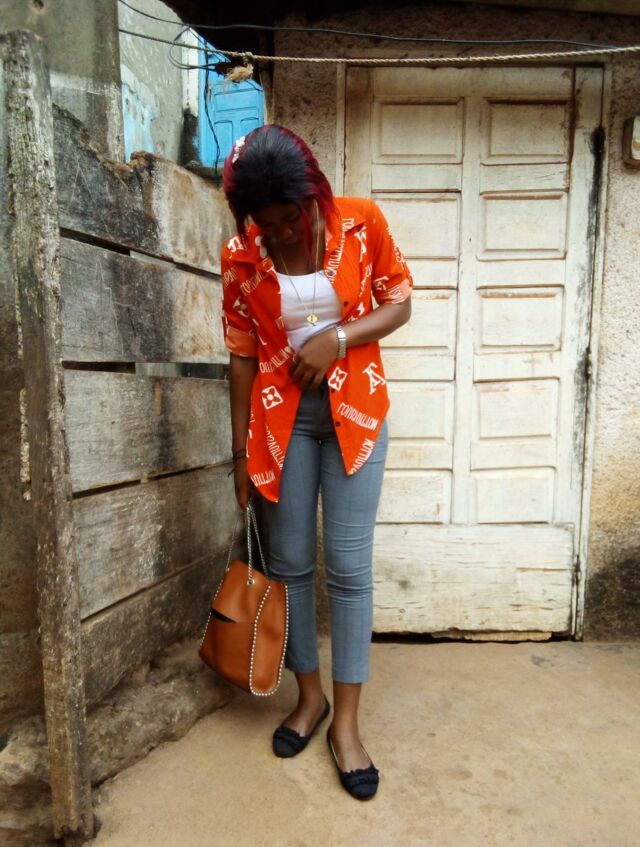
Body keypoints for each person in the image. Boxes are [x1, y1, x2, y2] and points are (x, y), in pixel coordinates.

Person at [220, 124, 413, 800]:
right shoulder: (240, 254)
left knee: (350, 568)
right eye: (265, 224)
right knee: (291, 563)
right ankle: (309, 699)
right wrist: (240, 451)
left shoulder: (361, 223)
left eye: (290, 219)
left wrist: (340, 337)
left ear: (313, 199)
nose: (279, 235)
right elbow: (242, 351)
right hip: (283, 422)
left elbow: (399, 301)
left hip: (355, 410)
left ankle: (347, 726)